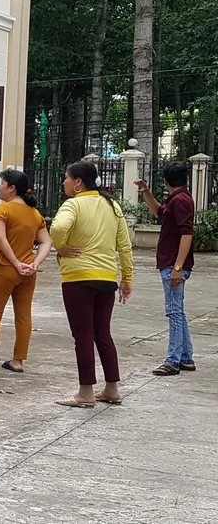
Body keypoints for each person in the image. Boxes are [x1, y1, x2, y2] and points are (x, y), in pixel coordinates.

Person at [49, 161, 133, 407]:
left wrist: (61, 246)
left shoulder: (73, 204)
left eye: (66, 178)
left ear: (77, 182)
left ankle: (85, 393)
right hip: (107, 278)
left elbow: (58, 226)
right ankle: (111, 388)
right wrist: (127, 278)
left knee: (83, 336)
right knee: (102, 333)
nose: (64, 182)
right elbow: (124, 246)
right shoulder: (112, 206)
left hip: (78, 278)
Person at [0, 169, 52, 374]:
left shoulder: (3, 209)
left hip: (4, 267)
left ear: (11, 188)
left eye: (2, 183)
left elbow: (0, 238)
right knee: (23, 315)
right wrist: (35, 263)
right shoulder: (34, 213)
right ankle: (18, 360)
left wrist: (15, 262)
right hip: (28, 270)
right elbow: (46, 241)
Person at [135, 163, 196, 376]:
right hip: (171, 263)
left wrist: (178, 267)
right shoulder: (179, 199)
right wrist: (146, 193)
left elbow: (187, 234)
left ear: (165, 181)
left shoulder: (180, 201)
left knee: (174, 312)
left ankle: (173, 360)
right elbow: (158, 212)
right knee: (178, 310)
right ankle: (186, 358)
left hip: (173, 264)